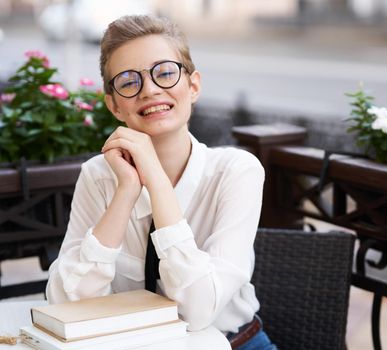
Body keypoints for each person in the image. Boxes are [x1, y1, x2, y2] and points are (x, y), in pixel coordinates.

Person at [45, 15, 277, 349]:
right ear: (113, 104)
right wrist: (126, 192)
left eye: (165, 73)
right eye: (128, 81)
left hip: (233, 343)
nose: (151, 89)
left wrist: (155, 179)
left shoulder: (236, 171)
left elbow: (198, 312)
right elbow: (66, 301)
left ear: (193, 85)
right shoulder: (99, 176)